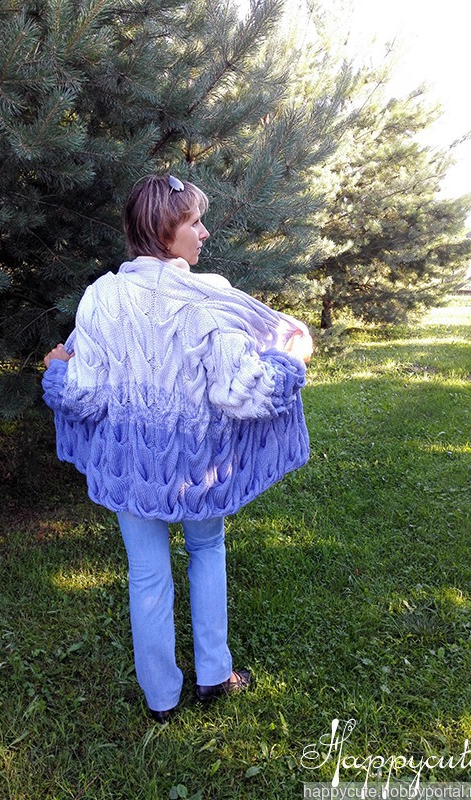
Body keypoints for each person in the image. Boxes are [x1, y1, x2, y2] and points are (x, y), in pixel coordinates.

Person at [42, 174, 312, 723]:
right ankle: (213, 675)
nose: (204, 233)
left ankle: (161, 699)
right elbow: (242, 391)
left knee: (146, 575)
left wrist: (57, 370)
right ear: (163, 230)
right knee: (206, 550)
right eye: (194, 222)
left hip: (132, 463)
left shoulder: (101, 298)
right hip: (199, 464)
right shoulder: (210, 298)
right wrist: (291, 361)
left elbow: (84, 395)